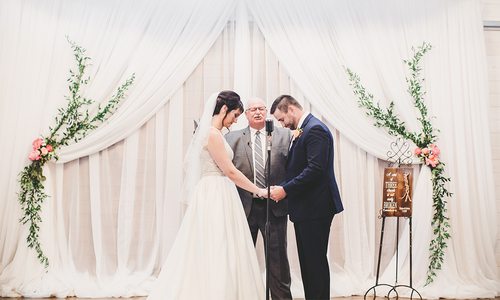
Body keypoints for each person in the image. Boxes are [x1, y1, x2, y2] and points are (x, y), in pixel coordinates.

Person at [147, 91, 267, 300]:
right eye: (235, 114)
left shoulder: (214, 133)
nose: (236, 119)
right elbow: (230, 171)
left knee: (222, 243)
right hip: (215, 193)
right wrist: (258, 190)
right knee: (217, 243)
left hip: (219, 191)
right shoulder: (212, 134)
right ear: (223, 110)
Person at [269, 95, 344, 300]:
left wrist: (285, 190)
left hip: (316, 207)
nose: (281, 124)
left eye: (281, 118)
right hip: (306, 207)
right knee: (309, 263)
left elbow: (315, 170)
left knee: (315, 263)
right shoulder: (305, 129)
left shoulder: (315, 129)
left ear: (291, 110)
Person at [225, 97, 292, 300]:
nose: (257, 112)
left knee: (278, 261)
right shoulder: (231, 138)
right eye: (252, 109)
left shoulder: (285, 135)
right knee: (240, 259)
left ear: (267, 112)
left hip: (275, 207)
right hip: (244, 207)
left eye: (261, 108)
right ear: (245, 114)